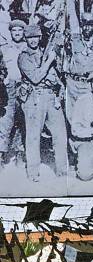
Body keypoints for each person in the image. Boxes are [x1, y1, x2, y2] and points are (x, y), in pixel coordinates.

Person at [18, 23, 67, 182]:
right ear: (25, 39)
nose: (33, 41)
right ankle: (33, 171)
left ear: (40, 38)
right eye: (30, 37)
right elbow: (36, 77)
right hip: (35, 98)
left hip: (51, 97)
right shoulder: (24, 56)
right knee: (33, 136)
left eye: (36, 37)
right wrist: (49, 61)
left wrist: (59, 92)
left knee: (60, 134)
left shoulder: (46, 52)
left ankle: (61, 169)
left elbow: (56, 75)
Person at [0, 20, 26, 164]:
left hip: (25, 88)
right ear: (10, 32)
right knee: (5, 121)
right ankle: (1, 153)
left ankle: (19, 153)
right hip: (9, 87)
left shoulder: (29, 47)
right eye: (14, 30)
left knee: (22, 120)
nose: (17, 33)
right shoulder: (4, 48)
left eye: (20, 30)